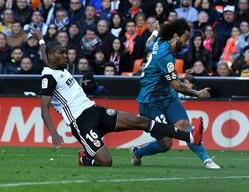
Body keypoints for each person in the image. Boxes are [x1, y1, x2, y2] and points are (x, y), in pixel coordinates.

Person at [31, 28, 203, 167]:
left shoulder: (56, 65)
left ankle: (188, 136)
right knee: (106, 162)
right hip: (81, 122)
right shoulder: (49, 78)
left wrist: (41, 40)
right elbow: (44, 108)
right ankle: (86, 158)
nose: (66, 56)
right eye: (62, 53)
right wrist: (53, 133)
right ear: (53, 56)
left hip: (95, 111)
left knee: (141, 121)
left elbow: (46, 57)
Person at [134, 19, 220, 169]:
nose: (187, 43)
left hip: (168, 97)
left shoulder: (160, 41)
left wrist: (154, 31)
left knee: (184, 125)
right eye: (186, 39)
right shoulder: (164, 56)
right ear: (175, 36)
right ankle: (137, 152)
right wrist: (197, 93)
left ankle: (207, 160)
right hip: (150, 103)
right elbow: (176, 85)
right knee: (166, 143)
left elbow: (149, 44)